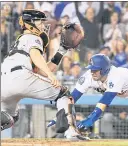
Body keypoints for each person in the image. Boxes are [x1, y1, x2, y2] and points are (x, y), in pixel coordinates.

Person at [1, 9, 86, 140]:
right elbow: (36, 56)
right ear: (30, 24)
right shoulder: (32, 37)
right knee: (63, 94)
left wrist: (61, 51)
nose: (43, 25)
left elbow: (42, 68)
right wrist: (51, 77)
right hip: (20, 77)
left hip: (4, 82)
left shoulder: (20, 42)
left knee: (10, 118)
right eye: (39, 22)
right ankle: (71, 131)